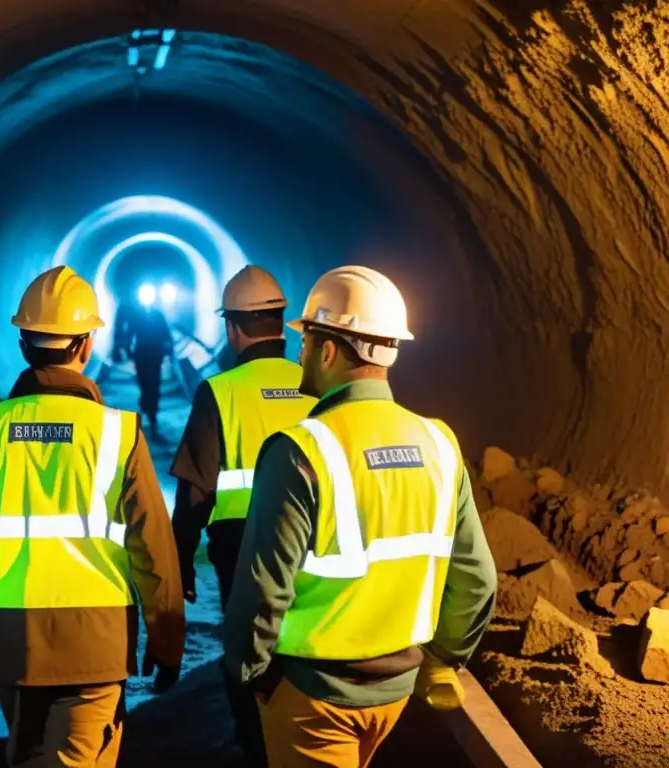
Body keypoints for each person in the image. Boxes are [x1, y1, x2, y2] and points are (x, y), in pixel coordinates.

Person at [223, 265, 498, 768]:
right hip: (394, 691)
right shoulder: (439, 443)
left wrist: (251, 674)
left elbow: (263, 589)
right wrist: (442, 659)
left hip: (313, 693)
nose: (299, 351)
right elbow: (478, 579)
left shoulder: (300, 449)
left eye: (306, 340)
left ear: (328, 350)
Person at [0, 265, 185, 768]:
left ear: (23, 344)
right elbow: (152, 544)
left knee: (28, 754)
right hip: (96, 643)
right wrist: (167, 638)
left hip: (5, 640)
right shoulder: (116, 433)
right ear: (86, 345)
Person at [170, 264, 315, 766]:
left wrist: (181, 563)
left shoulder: (221, 391)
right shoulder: (319, 386)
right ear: (284, 322)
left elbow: (194, 493)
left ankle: (257, 749)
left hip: (242, 557)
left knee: (248, 662)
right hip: (318, 552)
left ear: (231, 328)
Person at [113, 293, 174, 440]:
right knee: (146, 382)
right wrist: (127, 350)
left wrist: (128, 350)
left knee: (152, 383)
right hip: (145, 354)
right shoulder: (140, 316)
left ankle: (151, 412)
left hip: (150, 354)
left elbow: (166, 335)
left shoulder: (155, 315)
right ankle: (148, 407)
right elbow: (130, 334)